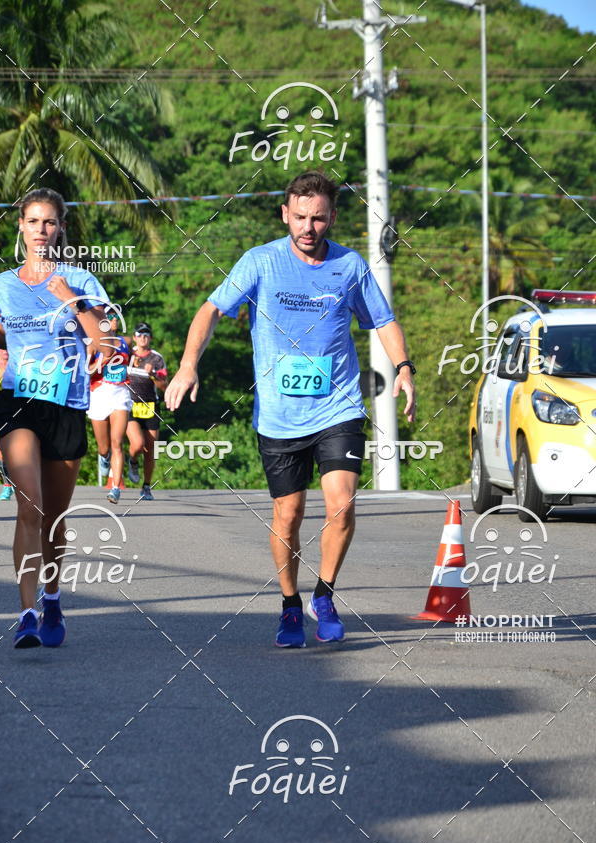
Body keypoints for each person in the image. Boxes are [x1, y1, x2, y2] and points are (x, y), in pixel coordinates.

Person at [166, 171, 416, 648]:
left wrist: (404, 366)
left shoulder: (350, 266)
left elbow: (382, 320)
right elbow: (211, 310)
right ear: (285, 214)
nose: (308, 227)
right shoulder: (260, 262)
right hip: (279, 416)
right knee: (289, 514)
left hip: (337, 407)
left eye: (318, 218)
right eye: (299, 217)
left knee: (341, 506)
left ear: (332, 218)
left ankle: (324, 594)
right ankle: (288, 605)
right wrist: (187, 365)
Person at [0, 188, 112, 648]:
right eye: (33, 221)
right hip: (17, 401)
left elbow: (104, 341)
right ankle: (25, 613)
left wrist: (72, 300)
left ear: (60, 227)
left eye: (50, 222)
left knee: (53, 519)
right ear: (20, 227)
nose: (41, 230)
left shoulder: (79, 279)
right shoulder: (2, 284)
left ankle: (51, 597)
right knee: (29, 505)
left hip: (65, 404)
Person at [87, 311, 133, 504]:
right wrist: (103, 362)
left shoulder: (126, 341)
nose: (114, 320)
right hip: (98, 394)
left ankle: (115, 488)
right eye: (109, 317)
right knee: (104, 447)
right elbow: (85, 372)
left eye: (116, 317)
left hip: (120, 394)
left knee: (117, 443)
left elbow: (136, 359)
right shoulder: (93, 343)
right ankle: (103, 457)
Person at [126, 322, 168, 500]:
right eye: (140, 334)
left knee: (150, 449)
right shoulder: (127, 354)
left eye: (146, 334)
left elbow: (165, 386)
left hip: (150, 406)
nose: (143, 337)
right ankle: (133, 461)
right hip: (129, 405)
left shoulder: (157, 359)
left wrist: (152, 374)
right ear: (134, 337)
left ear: (150, 338)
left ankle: (146, 486)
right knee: (137, 444)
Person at [0, 348, 15, 500]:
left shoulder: (20, 365)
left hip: (16, 411)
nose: (4, 350)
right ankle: (7, 486)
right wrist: (2, 373)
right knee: (1, 453)